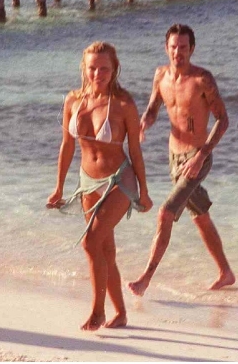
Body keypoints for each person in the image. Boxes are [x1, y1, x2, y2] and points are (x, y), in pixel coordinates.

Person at [46, 41, 153, 331]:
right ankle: (120, 313)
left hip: (120, 179)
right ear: (85, 68)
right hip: (87, 181)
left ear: (114, 69)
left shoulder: (123, 104)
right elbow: (67, 146)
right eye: (93, 68)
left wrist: (144, 191)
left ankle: (97, 311)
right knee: (104, 251)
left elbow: (135, 150)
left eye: (104, 68)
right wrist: (59, 188)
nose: (98, 73)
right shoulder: (73, 101)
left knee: (90, 242)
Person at [127, 24, 235, 297]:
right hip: (174, 156)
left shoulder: (202, 79)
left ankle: (145, 278)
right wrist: (145, 122)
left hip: (197, 157)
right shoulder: (160, 75)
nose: (178, 52)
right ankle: (225, 272)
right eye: (174, 47)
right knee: (200, 216)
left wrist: (202, 155)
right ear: (167, 48)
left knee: (165, 212)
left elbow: (223, 120)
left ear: (192, 49)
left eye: (184, 47)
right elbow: (154, 107)